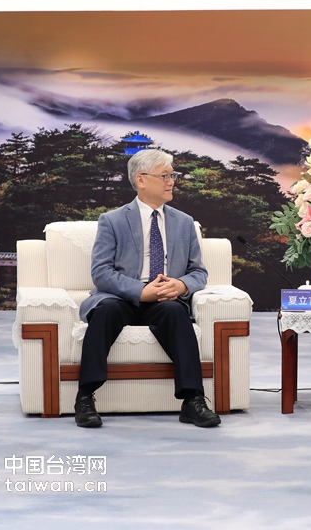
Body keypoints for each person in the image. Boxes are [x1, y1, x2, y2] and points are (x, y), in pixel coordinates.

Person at [73, 149, 220, 429]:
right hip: (122, 296)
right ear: (141, 180)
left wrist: (181, 285)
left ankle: (192, 400)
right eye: (165, 175)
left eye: (173, 175)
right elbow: (101, 273)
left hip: (164, 299)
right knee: (105, 310)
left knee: (175, 313)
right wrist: (141, 292)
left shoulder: (184, 223)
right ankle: (85, 398)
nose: (172, 181)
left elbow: (198, 272)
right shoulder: (112, 220)